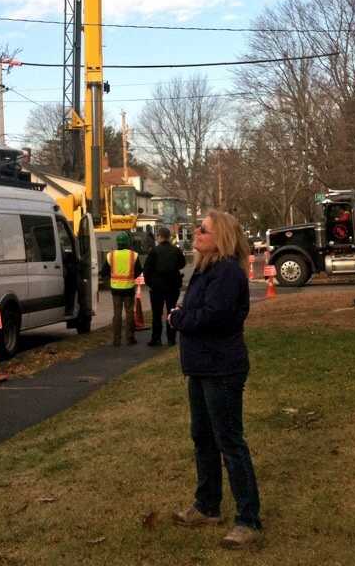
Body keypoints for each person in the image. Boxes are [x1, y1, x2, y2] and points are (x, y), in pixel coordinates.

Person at [168, 210, 262, 549]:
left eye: (203, 229)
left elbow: (212, 317)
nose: (196, 232)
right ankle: (207, 505)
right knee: (202, 438)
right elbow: (193, 311)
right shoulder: (204, 269)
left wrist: (179, 319)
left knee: (230, 443)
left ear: (219, 237)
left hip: (222, 368)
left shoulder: (226, 273)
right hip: (200, 367)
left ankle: (248, 519)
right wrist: (183, 315)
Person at [143, 226, 185, 347]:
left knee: (157, 314)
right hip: (172, 286)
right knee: (171, 312)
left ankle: (156, 339)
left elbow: (147, 269)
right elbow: (182, 263)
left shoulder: (154, 251)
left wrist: (149, 283)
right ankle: (171, 339)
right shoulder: (175, 250)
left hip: (157, 287)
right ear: (168, 237)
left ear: (160, 236)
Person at [106, 232, 143, 347]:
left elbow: (104, 272)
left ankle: (116, 340)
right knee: (129, 313)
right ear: (127, 242)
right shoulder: (134, 255)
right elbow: (138, 272)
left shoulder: (110, 255)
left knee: (117, 314)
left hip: (115, 289)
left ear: (117, 243)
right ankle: (130, 338)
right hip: (128, 288)